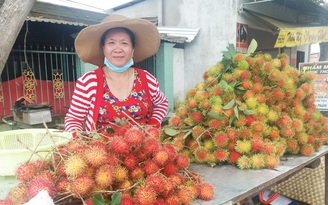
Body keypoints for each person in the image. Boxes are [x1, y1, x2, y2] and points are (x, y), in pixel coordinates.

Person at [64, 14, 168, 133]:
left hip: (142, 150)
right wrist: (78, 140)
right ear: (103, 48)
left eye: (124, 43)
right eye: (111, 43)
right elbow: (73, 119)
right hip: (100, 150)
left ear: (133, 49)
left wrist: (154, 123)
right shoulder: (88, 82)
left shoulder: (146, 79)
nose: (118, 49)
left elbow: (162, 103)